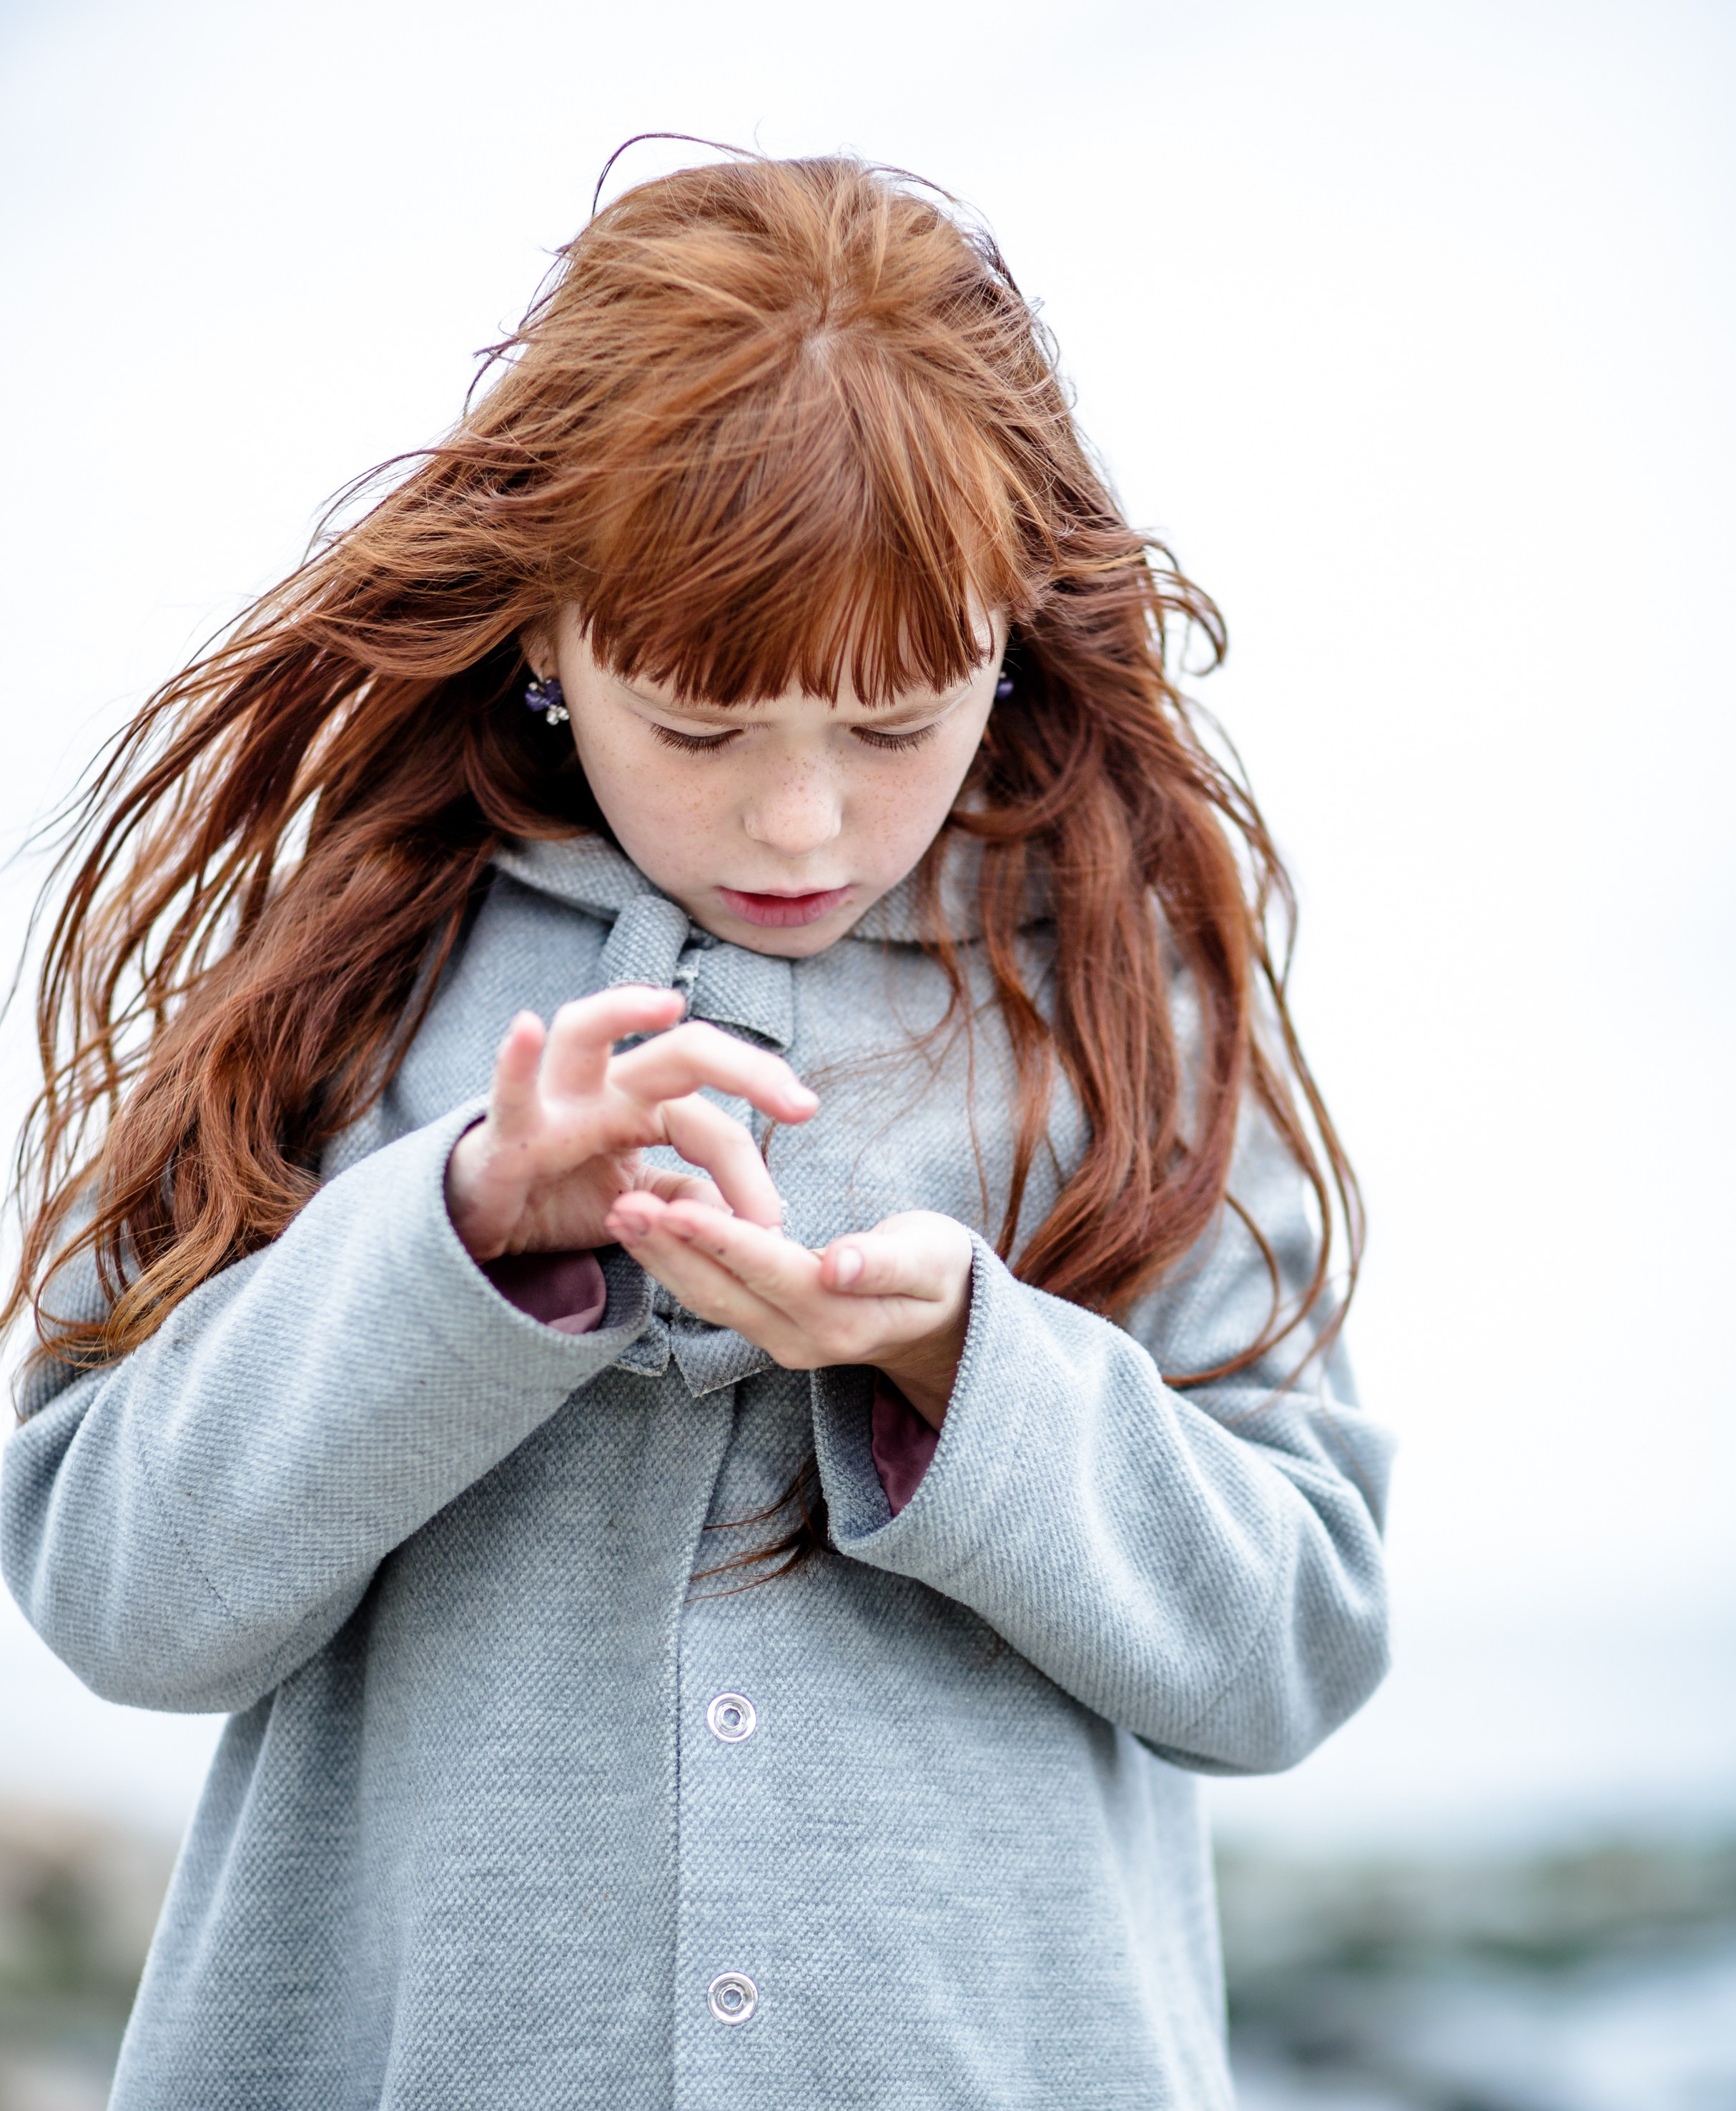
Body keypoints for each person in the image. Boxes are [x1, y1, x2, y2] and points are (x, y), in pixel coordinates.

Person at [1, 151, 1391, 2110]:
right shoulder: (349, 968)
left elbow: (1293, 1642)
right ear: (549, 631)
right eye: (703, 723)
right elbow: (120, 1596)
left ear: (1013, 627)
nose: (800, 826)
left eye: (897, 723)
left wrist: (955, 1364)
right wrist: (465, 1236)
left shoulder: (1122, 1004)